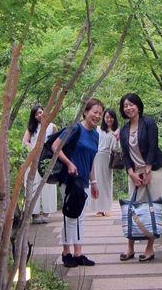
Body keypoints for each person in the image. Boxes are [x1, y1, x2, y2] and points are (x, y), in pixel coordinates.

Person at [118, 92, 162, 262]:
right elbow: (125, 154)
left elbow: (153, 147)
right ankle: (130, 247)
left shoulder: (148, 122)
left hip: (153, 169)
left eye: (131, 104)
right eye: (125, 105)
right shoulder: (124, 129)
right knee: (133, 209)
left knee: (151, 208)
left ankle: (149, 248)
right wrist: (131, 173)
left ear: (138, 106)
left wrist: (147, 172)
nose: (129, 108)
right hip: (134, 173)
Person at [52, 98, 103, 268]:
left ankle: (78, 254)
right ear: (85, 112)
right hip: (70, 180)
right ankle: (66, 253)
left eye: (100, 113)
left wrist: (94, 182)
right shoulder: (75, 129)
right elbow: (55, 146)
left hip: (84, 182)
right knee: (70, 216)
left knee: (80, 217)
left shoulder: (96, 134)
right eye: (94, 112)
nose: (97, 116)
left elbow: (90, 160)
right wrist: (69, 163)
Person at [22, 105, 58, 224]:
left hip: (47, 158)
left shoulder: (52, 126)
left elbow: (56, 141)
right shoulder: (31, 128)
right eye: (36, 114)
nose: (39, 115)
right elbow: (25, 141)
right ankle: (35, 214)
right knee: (33, 184)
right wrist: (35, 149)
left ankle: (46, 213)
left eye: (40, 112)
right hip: (33, 158)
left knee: (48, 184)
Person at [86, 107, 119, 216]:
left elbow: (115, 149)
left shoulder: (116, 131)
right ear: (104, 118)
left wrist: (117, 140)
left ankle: (107, 207)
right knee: (97, 182)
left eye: (111, 118)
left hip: (107, 159)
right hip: (95, 157)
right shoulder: (98, 129)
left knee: (107, 183)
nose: (109, 120)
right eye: (107, 117)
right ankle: (99, 209)